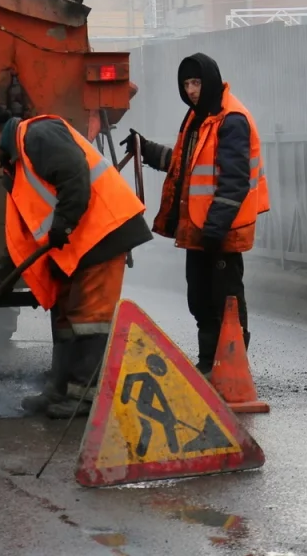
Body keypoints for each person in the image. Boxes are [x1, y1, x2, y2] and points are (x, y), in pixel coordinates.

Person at [0, 103, 153, 419]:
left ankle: (85, 398)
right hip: (77, 245)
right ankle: (60, 390)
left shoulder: (37, 135)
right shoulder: (17, 166)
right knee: (65, 318)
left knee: (89, 318)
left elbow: (75, 175)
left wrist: (63, 225)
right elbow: (22, 241)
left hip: (101, 236)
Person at [120, 53, 269, 376]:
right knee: (200, 300)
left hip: (221, 231)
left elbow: (234, 181)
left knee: (225, 300)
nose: (191, 90)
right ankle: (208, 363)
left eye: (196, 83)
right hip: (200, 231)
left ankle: (231, 365)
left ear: (211, 81)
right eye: (186, 84)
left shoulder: (232, 120)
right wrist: (146, 149)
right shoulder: (197, 119)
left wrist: (215, 228)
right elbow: (185, 167)